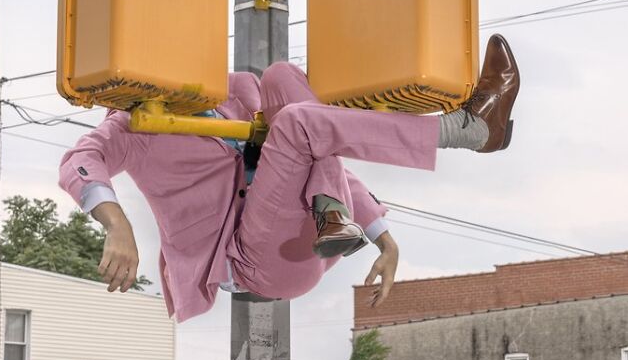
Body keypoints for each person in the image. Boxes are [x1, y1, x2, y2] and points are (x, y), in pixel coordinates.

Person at [59, 34, 519, 322]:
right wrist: (117, 225)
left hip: (313, 232)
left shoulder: (232, 91)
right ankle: (467, 129)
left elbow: (325, 146)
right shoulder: (135, 123)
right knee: (302, 123)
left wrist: (385, 239)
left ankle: (331, 213)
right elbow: (80, 159)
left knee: (281, 78)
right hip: (256, 261)